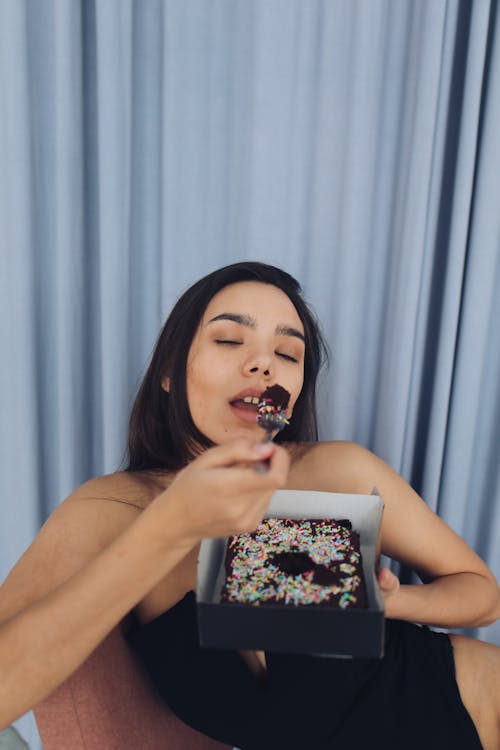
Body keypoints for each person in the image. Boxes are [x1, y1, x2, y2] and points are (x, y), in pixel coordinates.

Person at [0, 261, 499, 749]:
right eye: (228, 339)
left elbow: (481, 593)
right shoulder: (112, 508)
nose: (264, 364)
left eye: (287, 353)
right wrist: (170, 527)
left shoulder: (338, 470)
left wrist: (387, 603)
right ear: (170, 374)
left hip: (476, 703)